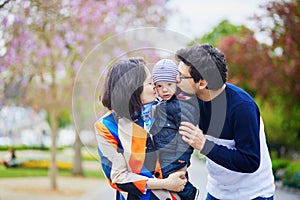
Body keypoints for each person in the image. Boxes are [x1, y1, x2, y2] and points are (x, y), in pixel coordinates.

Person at [175, 44, 275, 200]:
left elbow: (250, 161)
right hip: (217, 192)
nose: (176, 80)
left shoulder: (242, 108)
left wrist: (204, 145)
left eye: (181, 76)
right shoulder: (192, 99)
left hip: (252, 195)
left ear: (202, 83)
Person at [94, 58, 187, 200]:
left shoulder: (164, 110)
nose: (155, 87)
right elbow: (118, 177)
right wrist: (166, 183)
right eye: (150, 83)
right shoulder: (107, 126)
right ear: (133, 88)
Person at [149, 59, 199, 200]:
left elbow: (187, 134)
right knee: (165, 183)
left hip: (175, 156)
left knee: (174, 180)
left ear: (177, 83)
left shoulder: (180, 104)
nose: (164, 90)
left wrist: (181, 162)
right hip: (164, 153)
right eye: (159, 86)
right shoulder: (161, 104)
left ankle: (190, 194)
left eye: (169, 84)